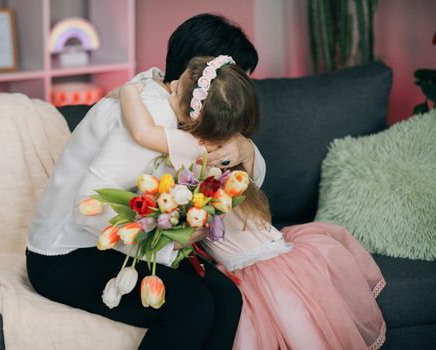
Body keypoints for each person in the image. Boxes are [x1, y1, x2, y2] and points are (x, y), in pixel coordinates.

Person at [118, 55, 387, 349]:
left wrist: (129, 90)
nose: (170, 87)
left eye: (177, 89)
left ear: (193, 115)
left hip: (260, 274)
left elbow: (143, 131)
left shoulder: (195, 152)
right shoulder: (227, 143)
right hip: (283, 256)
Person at [26, 14, 261, 350]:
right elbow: (88, 211)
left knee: (226, 297)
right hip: (66, 254)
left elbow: (233, 168)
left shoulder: (177, 102)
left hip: (113, 243)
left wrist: (244, 147)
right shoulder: (151, 117)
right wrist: (168, 245)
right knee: (191, 306)